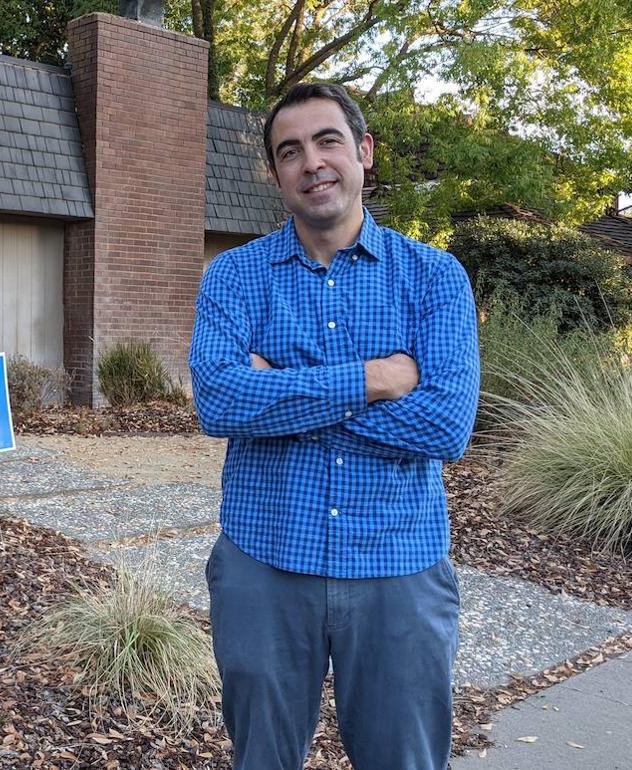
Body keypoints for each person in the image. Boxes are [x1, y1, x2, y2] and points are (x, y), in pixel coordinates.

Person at [189, 82, 480, 770]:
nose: (311, 162)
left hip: (397, 568)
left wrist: (280, 392)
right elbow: (220, 404)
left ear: (364, 152)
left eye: (327, 141)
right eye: (289, 151)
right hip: (265, 562)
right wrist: (375, 379)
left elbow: (446, 425)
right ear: (276, 173)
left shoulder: (434, 277)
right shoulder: (232, 278)